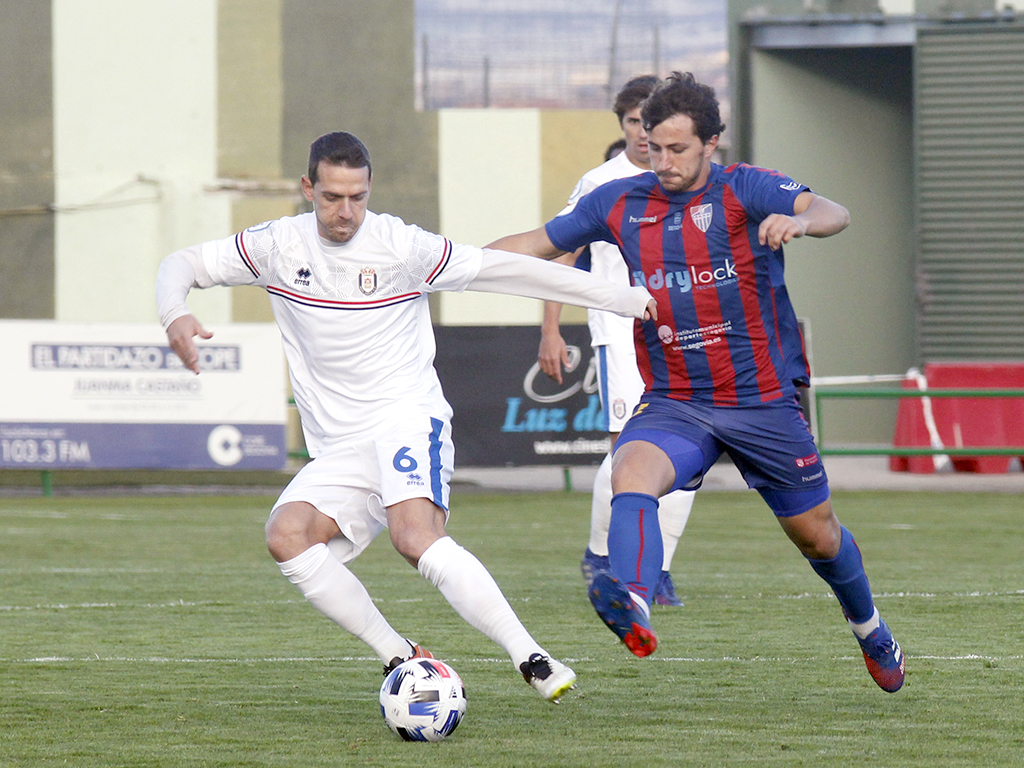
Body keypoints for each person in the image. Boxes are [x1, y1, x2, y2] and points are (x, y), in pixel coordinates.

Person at [155, 131, 656, 704]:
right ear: (307, 188)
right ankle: (400, 655)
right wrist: (176, 313)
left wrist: (626, 299)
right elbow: (183, 262)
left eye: (357, 197)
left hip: (406, 418)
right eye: (331, 198)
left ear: (370, 191)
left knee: (414, 537)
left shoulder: (402, 246)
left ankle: (532, 657)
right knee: (286, 535)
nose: (345, 212)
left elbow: (506, 271)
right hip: (339, 446)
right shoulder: (274, 245)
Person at [487, 73, 905, 693]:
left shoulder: (746, 189)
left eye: (677, 149)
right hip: (677, 401)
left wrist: (802, 223)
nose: (664, 161)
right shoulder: (620, 201)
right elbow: (538, 244)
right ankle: (633, 601)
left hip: (761, 400)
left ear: (712, 141)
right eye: (654, 147)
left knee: (817, 535)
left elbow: (833, 211)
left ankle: (870, 627)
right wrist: (447, 266)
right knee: (631, 472)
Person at [532, 75, 695, 608]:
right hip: (620, 332)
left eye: (651, 124)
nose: (644, 135)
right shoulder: (602, 182)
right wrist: (551, 327)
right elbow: (563, 252)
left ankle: (660, 568)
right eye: (633, 123)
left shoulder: (689, 179)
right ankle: (604, 555)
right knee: (629, 445)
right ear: (624, 124)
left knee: (690, 447)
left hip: (686, 331)